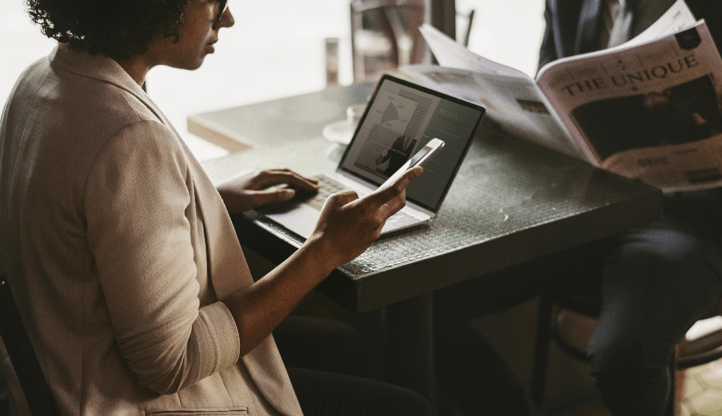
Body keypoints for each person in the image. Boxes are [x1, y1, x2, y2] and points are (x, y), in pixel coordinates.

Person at [0, 0, 437, 415]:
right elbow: (173, 362)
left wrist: (200, 201)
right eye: (213, 0)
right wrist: (326, 249)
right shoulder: (128, 136)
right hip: (120, 400)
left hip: (62, 372)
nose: (227, 18)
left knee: (342, 346)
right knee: (410, 410)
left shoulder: (42, 80)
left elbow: (90, 219)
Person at [537, 0, 722, 414]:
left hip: (688, 215)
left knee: (626, 357)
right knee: (436, 297)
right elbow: (544, 88)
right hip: (580, 204)